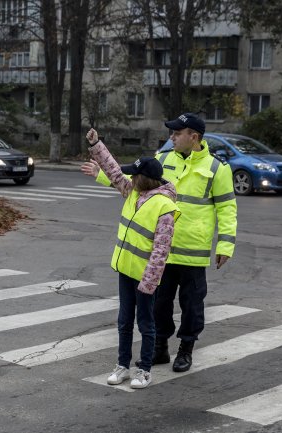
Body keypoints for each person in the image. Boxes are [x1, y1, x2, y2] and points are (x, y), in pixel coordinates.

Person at [81, 113, 237, 373]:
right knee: (160, 304)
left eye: (177, 134)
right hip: (160, 252)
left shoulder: (216, 169)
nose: (172, 137)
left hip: (193, 253)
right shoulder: (163, 159)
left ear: (194, 137)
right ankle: (160, 348)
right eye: (172, 133)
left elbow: (227, 208)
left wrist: (225, 246)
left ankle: (186, 349)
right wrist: (101, 174)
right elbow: (134, 184)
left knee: (192, 305)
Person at [85, 128, 180, 389]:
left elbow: (161, 251)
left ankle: (144, 370)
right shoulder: (132, 192)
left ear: (143, 179)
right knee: (124, 321)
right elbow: (114, 170)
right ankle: (123, 366)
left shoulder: (164, 207)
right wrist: (96, 143)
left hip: (145, 278)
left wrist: (149, 283)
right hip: (126, 270)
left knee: (146, 324)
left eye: (133, 174)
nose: (127, 177)